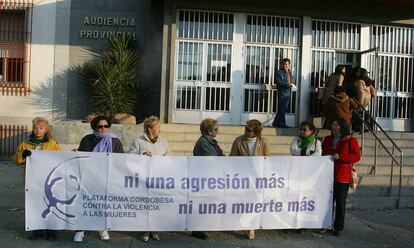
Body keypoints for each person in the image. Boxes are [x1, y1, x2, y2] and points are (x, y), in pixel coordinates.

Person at [73, 116, 124, 242]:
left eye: (106, 126)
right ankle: (80, 229)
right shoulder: (87, 140)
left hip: (106, 177)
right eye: (100, 126)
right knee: (84, 203)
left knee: (102, 203)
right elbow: (81, 158)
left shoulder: (115, 141)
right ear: (94, 127)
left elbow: (121, 160)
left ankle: (102, 228)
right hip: (88, 176)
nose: (103, 129)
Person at [14, 117, 60, 241]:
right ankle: (37, 231)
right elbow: (16, 160)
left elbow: (60, 160)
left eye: (41, 128)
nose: (37, 130)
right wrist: (22, 155)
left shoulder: (52, 144)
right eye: (35, 128)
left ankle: (51, 232)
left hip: (49, 180)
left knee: (50, 205)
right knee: (35, 206)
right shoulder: (25, 144)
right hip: (32, 180)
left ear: (46, 130)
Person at [129, 115, 170, 242]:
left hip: (158, 178)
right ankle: (145, 230)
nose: (159, 129)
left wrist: (162, 160)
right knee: (146, 205)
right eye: (156, 127)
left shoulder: (164, 142)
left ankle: (155, 230)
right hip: (143, 178)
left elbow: (169, 158)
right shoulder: (138, 141)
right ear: (149, 129)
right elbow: (130, 155)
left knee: (156, 204)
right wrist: (142, 154)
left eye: (159, 127)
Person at [230, 119, 269, 240]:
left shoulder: (263, 142)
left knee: (253, 202)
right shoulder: (238, 140)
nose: (246, 131)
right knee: (241, 201)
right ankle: (239, 222)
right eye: (246, 128)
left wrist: (265, 175)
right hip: (242, 176)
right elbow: (232, 157)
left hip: (257, 177)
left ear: (256, 132)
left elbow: (267, 159)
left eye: (249, 129)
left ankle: (251, 227)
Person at [322, 118, 361, 236]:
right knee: (327, 202)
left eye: (336, 125)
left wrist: (341, 157)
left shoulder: (350, 140)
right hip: (327, 174)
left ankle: (338, 227)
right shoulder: (328, 139)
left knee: (340, 202)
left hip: (342, 175)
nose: (334, 127)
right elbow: (323, 152)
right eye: (333, 124)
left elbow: (356, 156)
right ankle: (325, 224)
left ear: (342, 127)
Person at [192, 118, 224, 239]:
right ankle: (197, 229)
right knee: (202, 203)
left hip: (208, 177)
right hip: (203, 177)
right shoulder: (203, 143)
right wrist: (220, 156)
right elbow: (211, 159)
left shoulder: (210, 142)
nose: (218, 131)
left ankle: (202, 227)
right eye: (215, 129)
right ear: (209, 131)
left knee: (206, 203)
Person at [290, 121, 322, 235]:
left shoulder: (317, 142)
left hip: (309, 174)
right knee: (294, 198)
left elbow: (318, 154)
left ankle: (303, 224)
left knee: (305, 199)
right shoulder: (296, 140)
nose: (302, 131)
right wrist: (309, 153)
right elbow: (293, 151)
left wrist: (303, 154)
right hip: (296, 172)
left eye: (305, 129)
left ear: (311, 131)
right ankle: (291, 222)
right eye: (301, 129)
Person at [272, 58, 293, 128]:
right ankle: (282, 123)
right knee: (282, 108)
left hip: (288, 91)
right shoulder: (279, 72)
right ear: (281, 64)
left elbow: (290, 81)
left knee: (283, 108)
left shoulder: (289, 72)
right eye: (284, 64)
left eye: (286, 64)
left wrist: (290, 85)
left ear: (289, 65)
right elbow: (278, 82)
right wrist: (287, 85)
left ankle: (275, 123)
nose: (285, 65)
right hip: (282, 92)